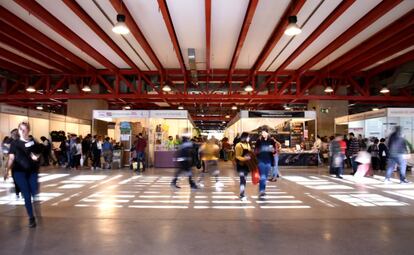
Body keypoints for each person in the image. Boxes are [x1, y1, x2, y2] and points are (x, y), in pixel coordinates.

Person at [4, 122, 42, 228]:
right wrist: (7, 170)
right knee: (26, 195)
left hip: (32, 171)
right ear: (18, 130)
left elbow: (38, 154)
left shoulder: (33, 142)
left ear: (29, 130)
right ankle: (31, 217)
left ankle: (33, 202)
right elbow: (11, 158)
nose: (23, 131)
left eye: (25, 129)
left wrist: (36, 157)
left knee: (34, 191)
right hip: (19, 172)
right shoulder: (14, 143)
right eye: (21, 129)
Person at [234, 132, 253, 201]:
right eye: (248, 137)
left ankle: (242, 193)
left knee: (244, 180)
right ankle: (242, 194)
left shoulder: (248, 144)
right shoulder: (238, 145)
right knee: (242, 180)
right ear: (244, 137)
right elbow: (237, 156)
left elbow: (250, 153)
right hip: (241, 165)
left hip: (247, 165)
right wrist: (245, 158)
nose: (249, 138)